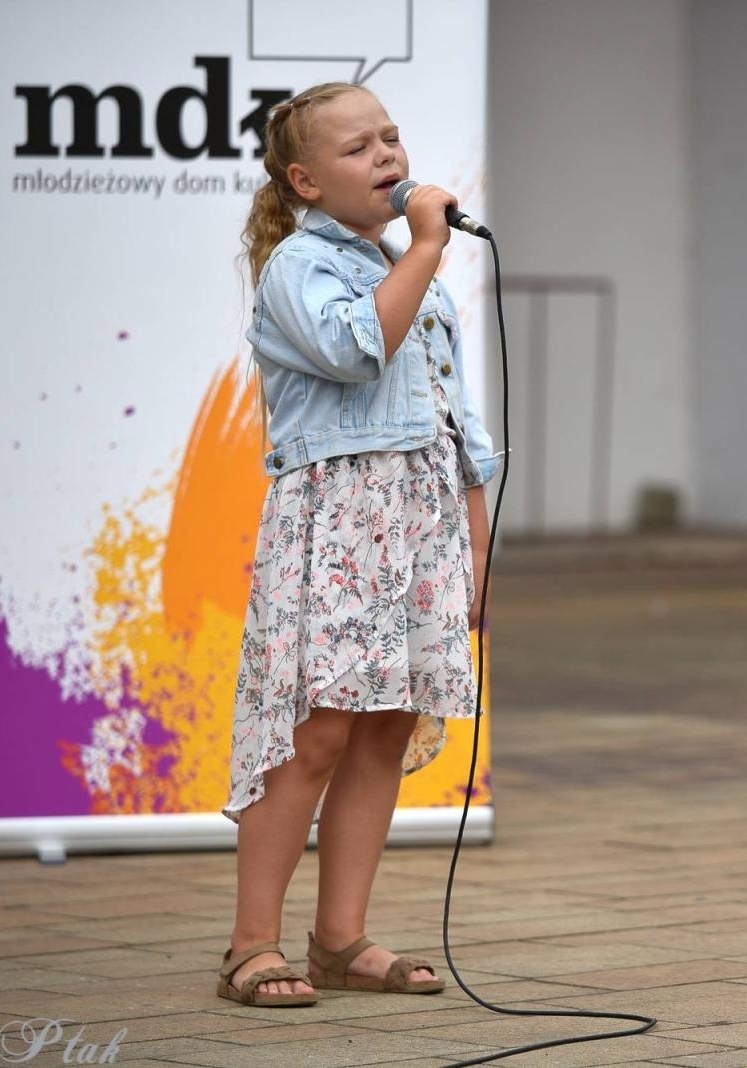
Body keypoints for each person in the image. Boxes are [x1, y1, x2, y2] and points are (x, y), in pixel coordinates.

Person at [215, 81, 500, 1008]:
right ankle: (250, 944)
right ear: (305, 181)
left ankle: (339, 938)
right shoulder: (300, 268)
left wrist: (475, 552)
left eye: (391, 137)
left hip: (421, 524)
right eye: (358, 147)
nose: (386, 155)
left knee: (386, 721)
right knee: (319, 730)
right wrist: (425, 247)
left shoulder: (409, 272)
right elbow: (355, 350)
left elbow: (458, 427)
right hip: (340, 522)